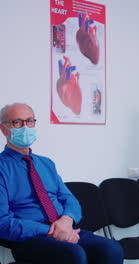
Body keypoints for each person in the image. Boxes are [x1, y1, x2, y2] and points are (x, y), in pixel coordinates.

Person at [0, 103, 124, 264]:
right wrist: (52, 231)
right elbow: (2, 222)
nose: (25, 127)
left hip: (65, 227)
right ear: (3, 129)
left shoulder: (46, 164)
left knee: (111, 248)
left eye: (29, 121)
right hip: (30, 237)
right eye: (17, 122)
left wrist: (66, 221)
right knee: (73, 255)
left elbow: (70, 200)